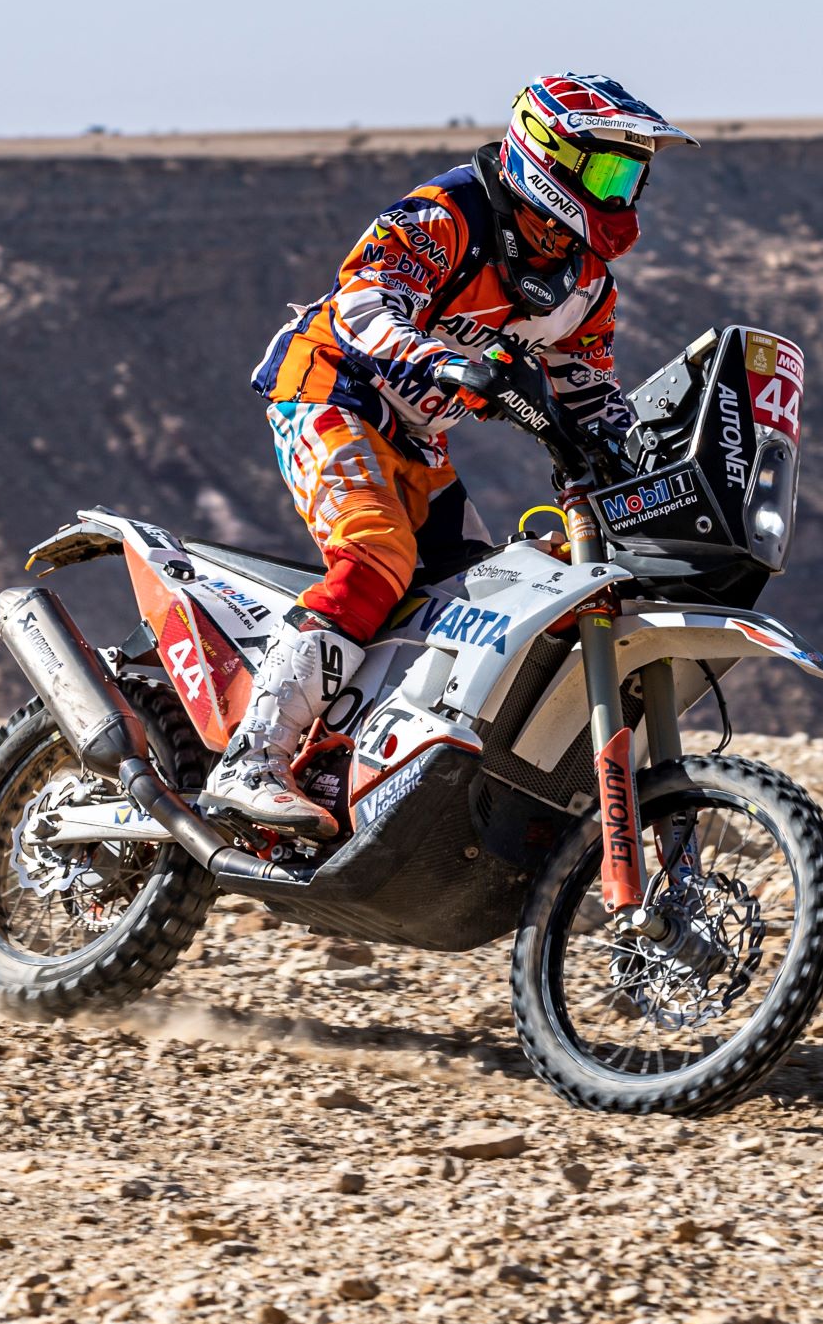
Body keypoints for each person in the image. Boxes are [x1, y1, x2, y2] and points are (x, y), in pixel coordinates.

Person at [201, 73, 697, 834]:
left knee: (472, 601)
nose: (622, 188)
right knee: (374, 559)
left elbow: (589, 390)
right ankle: (250, 759)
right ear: (548, 151)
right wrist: (438, 358)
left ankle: (347, 762)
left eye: (632, 173)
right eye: (606, 169)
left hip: (414, 435)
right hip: (330, 391)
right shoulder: (446, 213)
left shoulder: (586, 283)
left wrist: (637, 455)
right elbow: (358, 301)